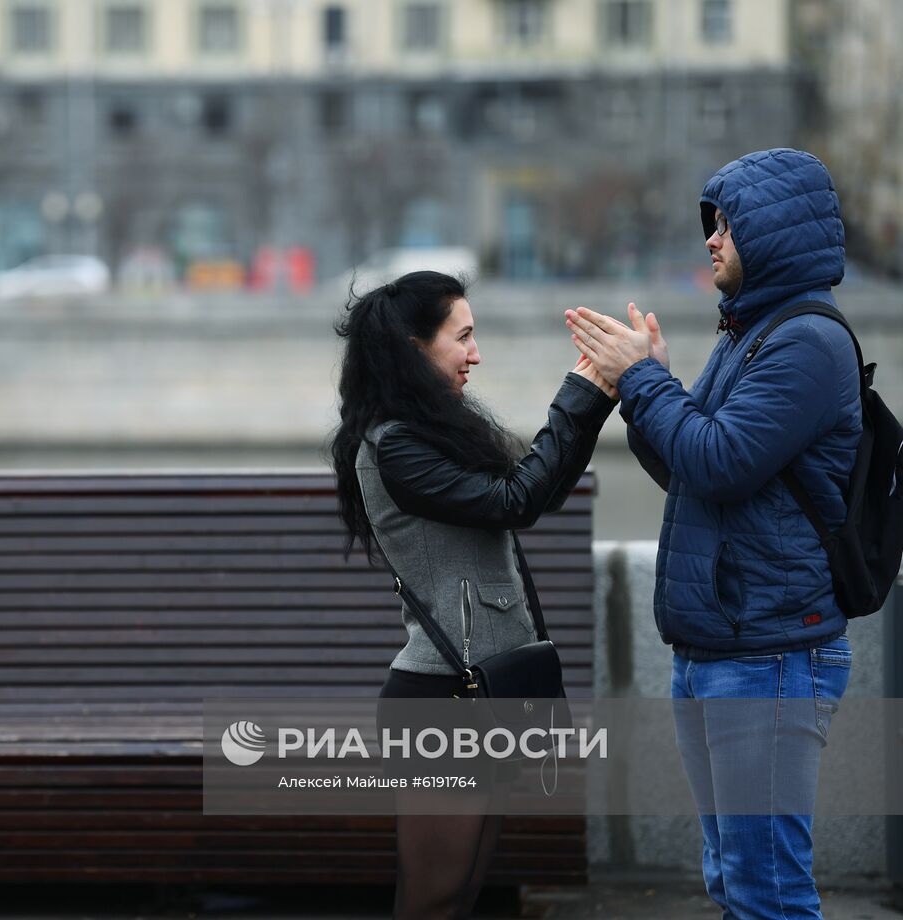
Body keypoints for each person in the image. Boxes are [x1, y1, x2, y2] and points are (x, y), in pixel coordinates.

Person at [565, 148, 860, 919]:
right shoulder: (749, 336)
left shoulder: (806, 343)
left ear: (772, 231)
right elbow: (694, 470)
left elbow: (721, 459)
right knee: (735, 879)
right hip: (721, 649)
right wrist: (645, 390)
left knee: (769, 890)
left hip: (770, 652)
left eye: (725, 223)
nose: (711, 239)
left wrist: (644, 378)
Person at [330, 271, 617, 919]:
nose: (475, 353)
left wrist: (597, 397)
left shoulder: (432, 433)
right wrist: (584, 393)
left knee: (458, 897)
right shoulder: (395, 445)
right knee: (433, 900)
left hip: (485, 693)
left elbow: (527, 492)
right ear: (413, 348)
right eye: (462, 337)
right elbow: (517, 500)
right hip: (442, 702)